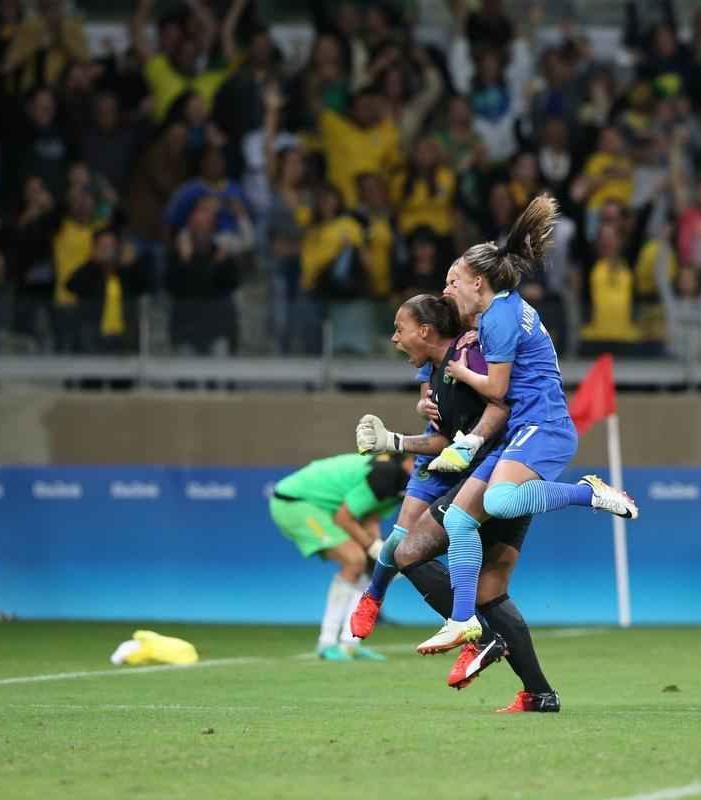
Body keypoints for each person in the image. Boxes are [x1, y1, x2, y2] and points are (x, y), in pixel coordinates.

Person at [414, 194, 639, 656]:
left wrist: (459, 373)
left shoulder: (498, 319)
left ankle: (588, 493)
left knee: (499, 500)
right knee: (459, 519)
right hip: (523, 427)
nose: (447, 289)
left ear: (477, 282)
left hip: (544, 424)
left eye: (453, 281)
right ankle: (462, 621)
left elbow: (497, 390)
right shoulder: (501, 310)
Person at [353, 292, 560, 708]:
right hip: (500, 472)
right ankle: (539, 694)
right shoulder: (437, 371)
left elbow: (500, 405)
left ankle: (478, 635)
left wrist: (471, 441)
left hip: (493, 472)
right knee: (490, 591)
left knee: (409, 551)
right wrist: (395, 439)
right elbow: (442, 437)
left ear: (425, 330)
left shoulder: (470, 353)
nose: (394, 338)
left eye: (399, 329)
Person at [269, 451, 412, 661]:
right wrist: (372, 547)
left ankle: (350, 644)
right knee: (354, 560)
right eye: (422, 462)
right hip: (295, 503)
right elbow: (344, 518)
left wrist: (380, 554)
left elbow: (370, 518)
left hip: (324, 508)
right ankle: (326, 643)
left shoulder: (405, 484)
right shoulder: (386, 474)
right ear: (408, 460)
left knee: (365, 565)